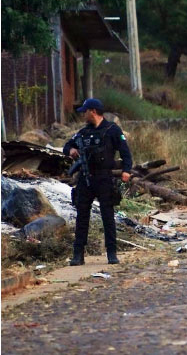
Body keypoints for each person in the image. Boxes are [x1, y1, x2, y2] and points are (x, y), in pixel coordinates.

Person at [63, 98, 133, 266]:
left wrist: (126, 170)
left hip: (104, 177)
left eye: (85, 112)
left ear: (93, 111)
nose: (83, 115)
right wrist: (71, 150)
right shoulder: (83, 133)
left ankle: (111, 253)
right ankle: (78, 254)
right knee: (82, 216)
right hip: (86, 178)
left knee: (107, 215)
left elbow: (125, 152)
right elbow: (67, 146)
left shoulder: (112, 130)